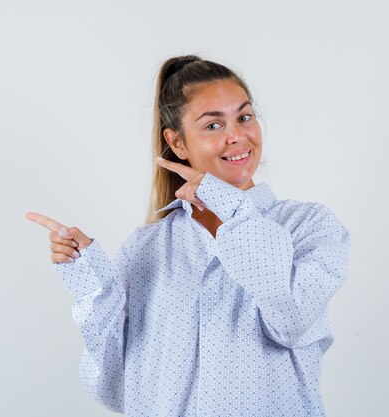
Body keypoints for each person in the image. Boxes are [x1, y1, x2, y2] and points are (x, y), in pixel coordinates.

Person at [26, 55, 351, 417]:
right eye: (213, 125)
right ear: (177, 143)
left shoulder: (309, 226)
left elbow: (291, 321)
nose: (236, 136)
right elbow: (115, 384)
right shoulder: (146, 247)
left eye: (244, 117)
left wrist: (228, 205)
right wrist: (91, 281)